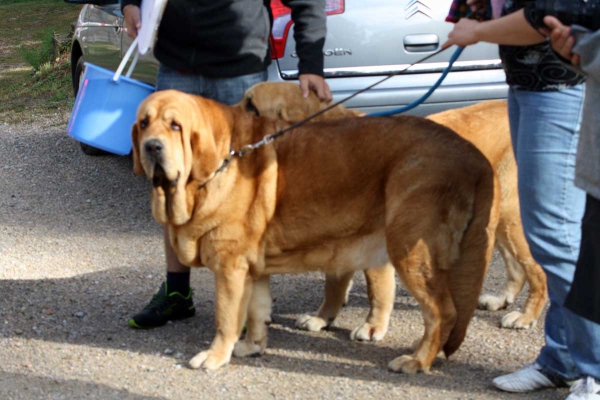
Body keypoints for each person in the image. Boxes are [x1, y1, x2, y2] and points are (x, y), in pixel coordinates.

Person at [120, 0, 332, 329]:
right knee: (170, 180)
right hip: (178, 67)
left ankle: (249, 301)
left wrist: (311, 65)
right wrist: (130, 4)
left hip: (239, 70)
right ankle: (177, 293)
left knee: (245, 189)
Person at [445, 2, 600, 399]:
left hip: (562, 88)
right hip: (527, 85)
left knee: (554, 236)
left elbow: (549, 14)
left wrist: (476, 32)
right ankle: (562, 361)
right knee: (558, 235)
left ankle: (595, 369)